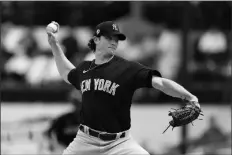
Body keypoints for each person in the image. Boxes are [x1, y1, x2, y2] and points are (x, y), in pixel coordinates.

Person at [46, 21, 200, 155]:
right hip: (85, 141)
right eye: (109, 38)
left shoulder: (128, 68)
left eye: (116, 38)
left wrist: (189, 96)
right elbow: (66, 72)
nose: (114, 42)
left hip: (119, 143)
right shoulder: (84, 68)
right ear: (96, 40)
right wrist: (54, 44)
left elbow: (160, 83)